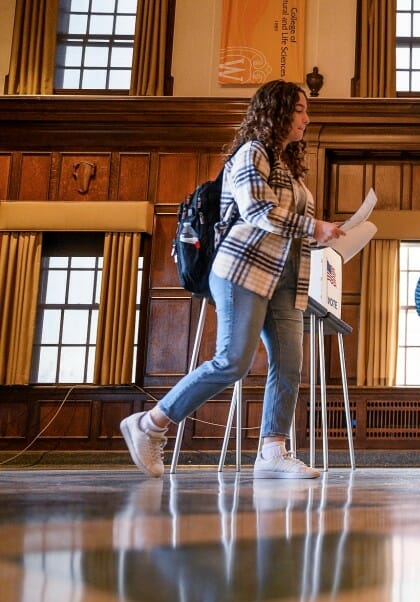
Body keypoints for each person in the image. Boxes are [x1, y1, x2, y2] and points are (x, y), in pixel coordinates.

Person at [120, 80, 345, 479]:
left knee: (290, 365)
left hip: (286, 278)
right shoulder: (252, 153)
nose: (307, 119)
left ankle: (273, 451)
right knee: (232, 361)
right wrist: (315, 227)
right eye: (300, 110)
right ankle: (150, 423)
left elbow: (287, 225)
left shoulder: (288, 167)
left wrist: (323, 235)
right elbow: (258, 211)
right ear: (277, 111)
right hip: (243, 268)